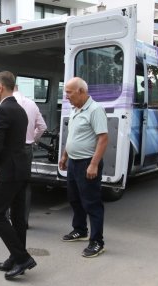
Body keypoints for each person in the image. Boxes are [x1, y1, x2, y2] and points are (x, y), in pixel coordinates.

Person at [0, 71, 35, 280]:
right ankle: (15, 259)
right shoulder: (20, 109)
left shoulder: (3, 110)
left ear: (0, 87)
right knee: (17, 218)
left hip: (9, 170)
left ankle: (22, 258)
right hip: (22, 168)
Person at [0, 85, 47, 233]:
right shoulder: (30, 104)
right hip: (26, 150)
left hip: (9, 154)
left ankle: (4, 223)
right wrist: (33, 140)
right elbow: (42, 126)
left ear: (2, 87)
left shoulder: (5, 107)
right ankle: (22, 222)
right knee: (23, 188)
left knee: (2, 199)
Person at [58, 77, 108, 258]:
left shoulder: (95, 110)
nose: (67, 96)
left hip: (87, 163)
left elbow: (103, 139)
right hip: (73, 162)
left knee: (92, 203)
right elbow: (72, 136)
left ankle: (97, 242)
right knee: (74, 199)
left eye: (69, 92)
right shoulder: (75, 109)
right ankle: (80, 230)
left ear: (81, 91)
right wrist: (65, 156)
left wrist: (94, 164)